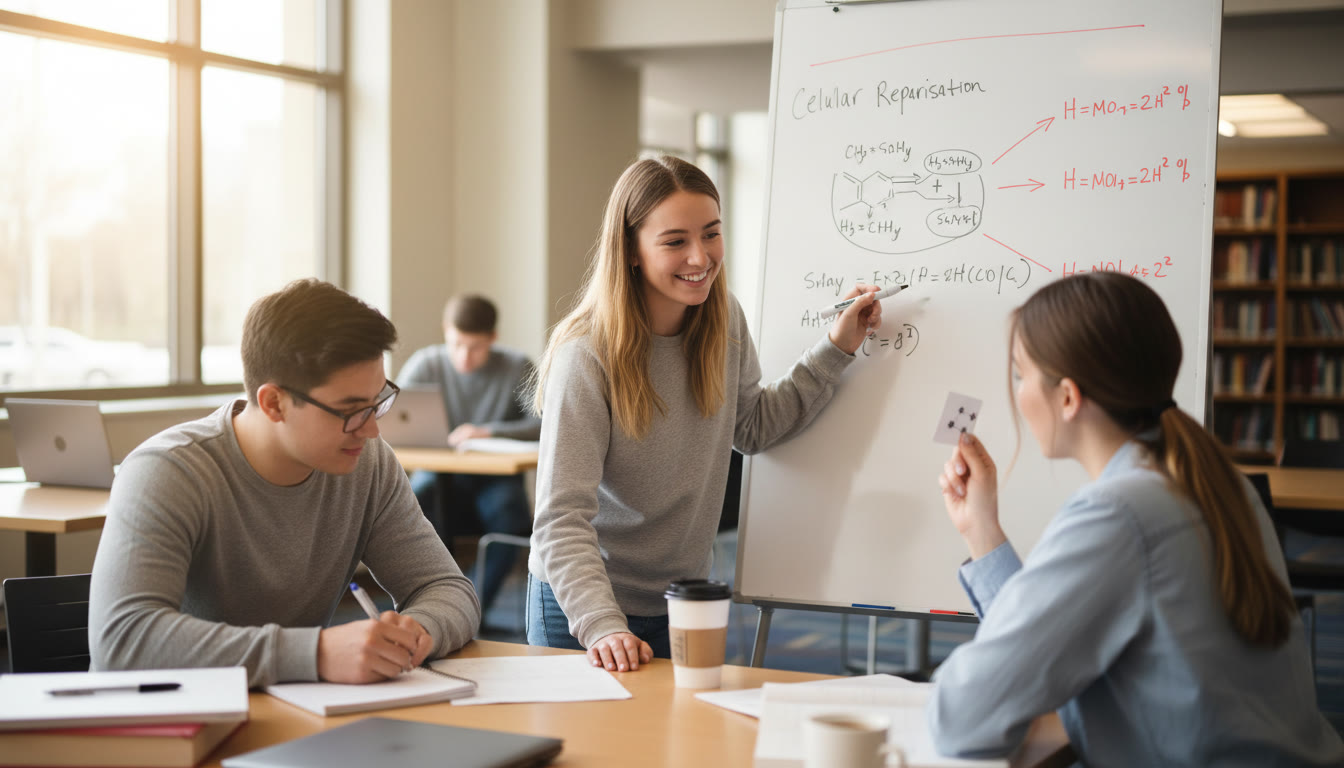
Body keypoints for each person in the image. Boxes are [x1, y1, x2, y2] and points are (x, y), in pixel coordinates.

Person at [929, 272, 1343, 766]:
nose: (1018, 394)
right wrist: (981, 528)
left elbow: (963, 715)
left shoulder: (1117, 515)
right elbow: (1038, 652)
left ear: (1067, 397)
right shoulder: (1217, 482)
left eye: (1022, 375)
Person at [527, 155, 881, 673]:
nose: (701, 256)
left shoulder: (723, 318)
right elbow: (560, 519)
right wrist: (602, 623)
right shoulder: (587, 355)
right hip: (583, 607)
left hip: (681, 603)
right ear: (629, 249)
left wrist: (836, 347)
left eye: (711, 234)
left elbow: (753, 426)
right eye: (675, 241)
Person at [89, 279, 481, 688]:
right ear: (273, 403)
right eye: (350, 411)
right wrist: (316, 653)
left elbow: (446, 587)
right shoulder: (169, 471)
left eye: (377, 403)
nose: (370, 432)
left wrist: (416, 632)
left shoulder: (368, 463)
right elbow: (124, 641)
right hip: (165, 724)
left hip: (289, 713)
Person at [397, 294, 542, 616]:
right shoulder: (426, 363)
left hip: (496, 478)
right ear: (445, 330)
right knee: (410, 505)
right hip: (436, 473)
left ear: (493, 338)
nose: (464, 357)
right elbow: (396, 416)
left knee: (510, 517)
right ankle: (424, 605)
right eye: (457, 344)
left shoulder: (517, 366)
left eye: (475, 347)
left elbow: (544, 423)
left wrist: (489, 431)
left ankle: (469, 610)